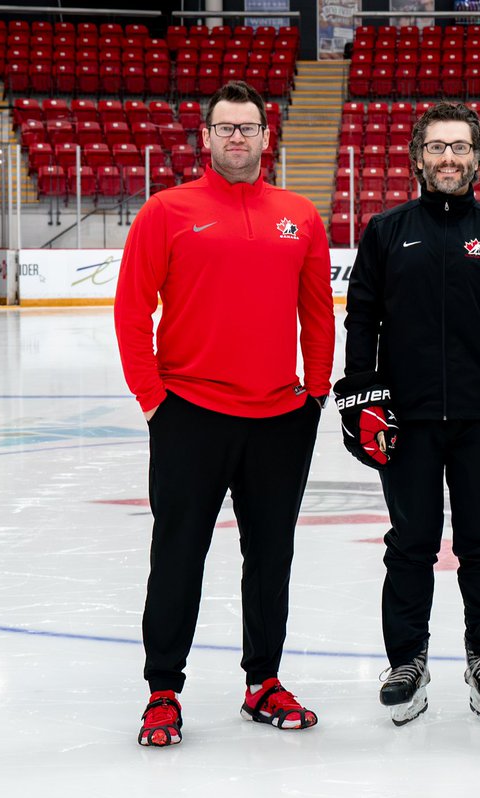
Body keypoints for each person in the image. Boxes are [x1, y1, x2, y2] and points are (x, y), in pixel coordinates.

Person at [114, 80, 334, 746]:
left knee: (272, 558)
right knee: (178, 555)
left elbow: (318, 314)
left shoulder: (300, 215)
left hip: (279, 420)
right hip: (190, 416)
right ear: (206, 138)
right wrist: (154, 401)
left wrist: (314, 395)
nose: (236, 138)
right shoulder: (167, 211)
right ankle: (162, 689)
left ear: (267, 138)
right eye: (225, 128)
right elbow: (132, 310)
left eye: (248, 127)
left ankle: (262, 681)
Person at [334, 101, 480, 727]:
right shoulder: (386, 230)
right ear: (418, 158)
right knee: (410, 544)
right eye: (436, 147)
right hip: (410, 420)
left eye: (459, 147)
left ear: (477, 157)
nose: (448, 158)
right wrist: (362, 396)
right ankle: (407, 660)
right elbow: (362, 319)